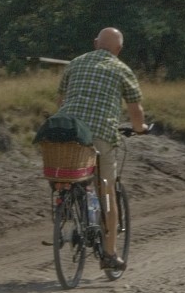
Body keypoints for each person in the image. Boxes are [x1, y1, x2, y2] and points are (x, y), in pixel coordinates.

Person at [55, 27, 148, 271]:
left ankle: (65, 203)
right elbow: (135, 110)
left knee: (69, 172)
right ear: (119, 49)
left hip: (66, 130)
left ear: (96, 43)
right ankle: (109, 254)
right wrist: (140, 128)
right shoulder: (121, 69)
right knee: (107, 191)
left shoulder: (75, 63)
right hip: (100, 135)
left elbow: (60, 101)